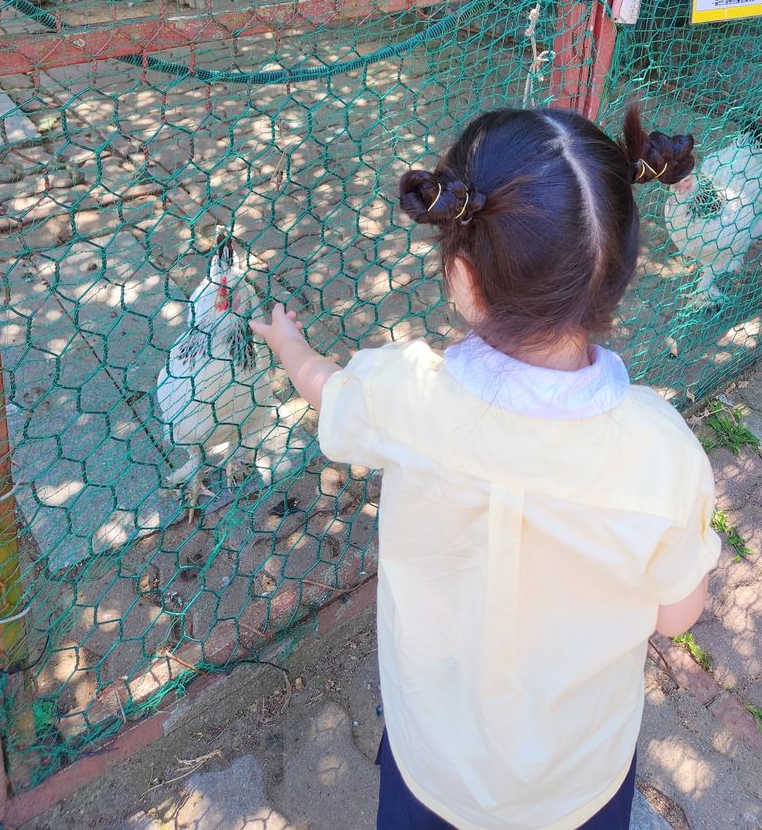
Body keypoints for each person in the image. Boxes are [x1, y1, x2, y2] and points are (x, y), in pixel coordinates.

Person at [251, 102, 722, 830]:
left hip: (434, 763)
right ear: (622, 270)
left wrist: (292, 348)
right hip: (579, 780)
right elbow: (677, 611)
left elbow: (329, 394)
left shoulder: (405, 392)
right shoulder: (663, 452)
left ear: (465, 280)